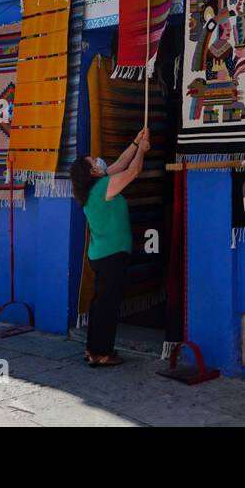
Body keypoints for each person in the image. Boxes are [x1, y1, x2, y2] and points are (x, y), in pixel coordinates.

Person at [70, 126, 152, 366]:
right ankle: (101, 354)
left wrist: (136, 143)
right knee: (107, 306)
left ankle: (92, 350)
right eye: (94, 160)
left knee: (100, 304)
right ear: (94, 171)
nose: (98, 160)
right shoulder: (103, 188)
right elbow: (133, 170)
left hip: (101, 254)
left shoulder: (97, 186)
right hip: (111, 255)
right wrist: (143, 153)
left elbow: (120, 163)